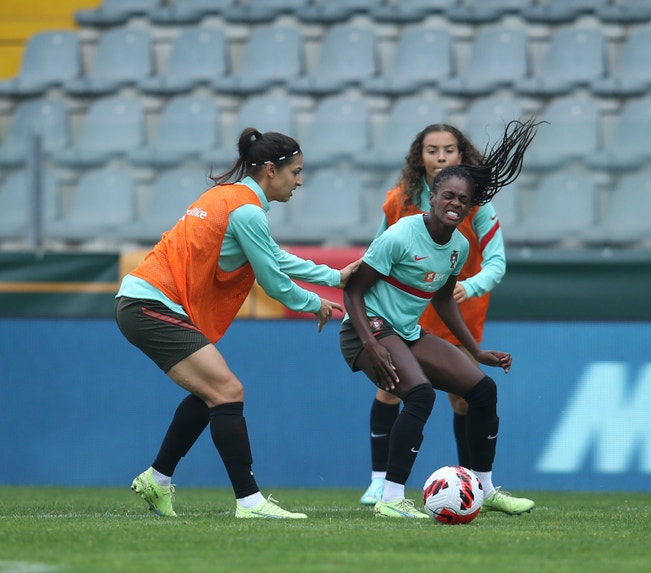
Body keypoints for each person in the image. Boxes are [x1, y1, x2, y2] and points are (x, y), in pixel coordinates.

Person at [116, 128, 358, 519]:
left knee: (211, 392)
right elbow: (275, 282)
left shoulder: (227, 198)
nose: (299, 180)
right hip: (149, 304)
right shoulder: (246, 210)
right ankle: (249, 501)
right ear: (269, 171)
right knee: (228, 389)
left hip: (141, 302)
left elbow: (273, 256)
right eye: (295, 171)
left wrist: (332, 277)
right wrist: (316, 303)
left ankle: (157, 480)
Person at [340, 119, 539, 519]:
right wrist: (371, 343)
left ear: (469, 207)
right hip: (368, 330)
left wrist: (475, 350)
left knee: (481, 391)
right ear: (431, 197)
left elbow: (445, 299)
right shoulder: (399, 235)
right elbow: (353, 290)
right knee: (420, 395)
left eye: (462, 200)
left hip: (408, 334)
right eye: (447, 195)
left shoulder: (460, 247)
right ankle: (391, 497)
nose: (455, 204)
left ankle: (483, 488)